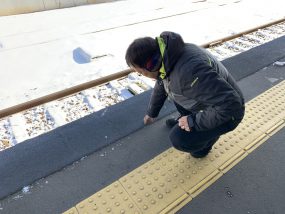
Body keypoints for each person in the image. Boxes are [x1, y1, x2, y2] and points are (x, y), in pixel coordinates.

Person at [125, 31, 245, 158]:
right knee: (174, 90)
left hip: (229, 113)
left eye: (140, 72)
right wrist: (152, 112)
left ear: (149, 67)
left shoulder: (188, 73)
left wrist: (193, 121)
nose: (141, 75)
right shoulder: (168, 56)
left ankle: (207, 142)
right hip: (209, 98)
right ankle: (186, 120)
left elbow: (231, 105)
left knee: (180, 139)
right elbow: (162, 82)